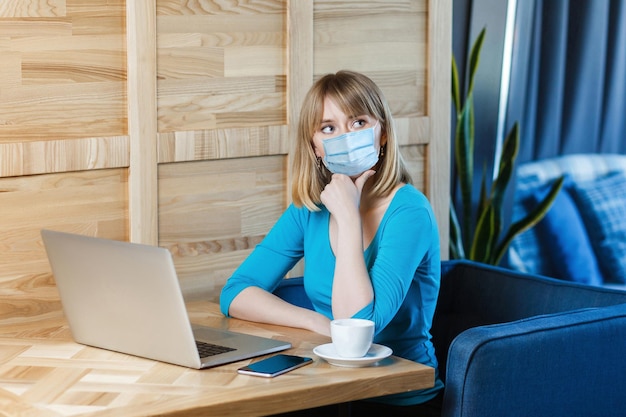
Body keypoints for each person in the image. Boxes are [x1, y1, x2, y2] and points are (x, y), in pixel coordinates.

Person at [220, 70, 444, 416]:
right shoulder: (309, 208)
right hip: (325, 387)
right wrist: (315, 323)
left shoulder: (409, 211)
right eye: (329, 128)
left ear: (382, 133)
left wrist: (350, 218)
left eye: (358, 122)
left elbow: (357, 325)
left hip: (397, 395)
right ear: (314, 146)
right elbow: (236, 293)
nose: (345, 136)